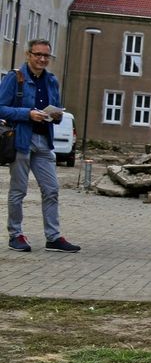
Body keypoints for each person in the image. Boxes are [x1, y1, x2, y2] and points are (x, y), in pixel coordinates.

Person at [1, 38, 79, 253]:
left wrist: (55, 116)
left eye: (46, 55)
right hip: (21, 140)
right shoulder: (15, 77)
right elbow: (1, 107)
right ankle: (15, 234)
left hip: (45, 141)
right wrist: (27, 114)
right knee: (18, 191)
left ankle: (53, 237)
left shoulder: (52, 80)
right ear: (28, 55)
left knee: (52, 189)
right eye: (38, 54)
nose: (42, 59)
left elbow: (56, 108)